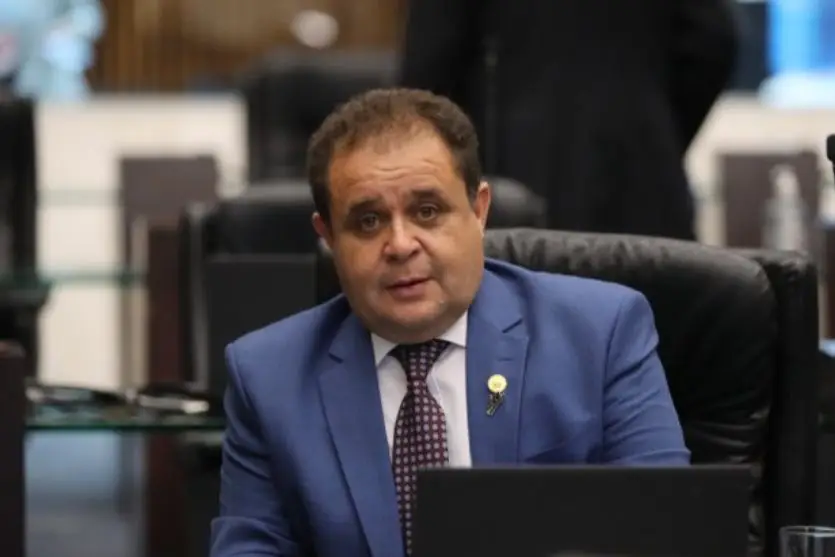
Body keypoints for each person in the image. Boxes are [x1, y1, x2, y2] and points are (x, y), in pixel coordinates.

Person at [210, 88, 689, 557]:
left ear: (479, 211)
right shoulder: (268, 377)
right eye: (369, 221)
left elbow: (664, 533)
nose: (401, 245)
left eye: (427, 211)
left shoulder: (600, 334)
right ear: (329, 236)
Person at [399, 0, 738, 240]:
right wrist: (655, 130)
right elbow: (712, 39)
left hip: (513, 180)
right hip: (642, 180)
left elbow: (427, 76)